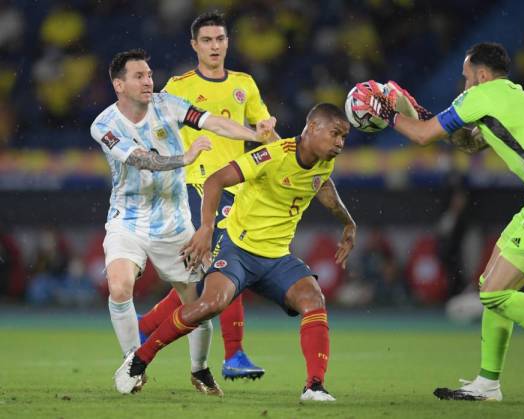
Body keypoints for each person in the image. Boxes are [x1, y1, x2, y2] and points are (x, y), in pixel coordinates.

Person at [354, 42, 524, 402]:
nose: (464, 85)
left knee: (496, 292)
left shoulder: (482, 96)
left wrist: (389, 113)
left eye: (467, 78)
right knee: (491, 287)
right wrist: (415, 109)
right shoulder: (514, 97)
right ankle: (487, 384)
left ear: (481, 75)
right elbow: (469, 143)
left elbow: (423, 136)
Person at [113, 103, 356, 401]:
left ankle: (314, 386)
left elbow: (322, 186)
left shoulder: (323, 161)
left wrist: (348, 223)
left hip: (277, 257)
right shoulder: (272, 155)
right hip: (238, 249)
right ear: (312, 128)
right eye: (335, 134)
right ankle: (138, 361)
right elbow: (216, 180)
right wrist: (205, 228)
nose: (340, 144)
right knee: (211, 303)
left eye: (344, 137)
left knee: (313, 299)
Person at [91, 49, 270, 395]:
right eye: (139, 76)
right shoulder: (104, 125)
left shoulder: (168, 104)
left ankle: (199, 369)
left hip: (174, 226)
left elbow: (213, 121)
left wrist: (253, 134)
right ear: (119, 84)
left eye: (149, 74)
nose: (148, 81)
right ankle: (133, 362)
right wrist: (186, 157)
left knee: (198, 305)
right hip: (127, 222)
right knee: (119, 286)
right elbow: (142, 160)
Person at [137, 10, 276, 381]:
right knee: (227, 266)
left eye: (220, 39)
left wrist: (268, 132)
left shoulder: (245, 83)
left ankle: (145, 326)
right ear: (194, 45)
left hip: (240, 188)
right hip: (198, 187)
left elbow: (263, 130)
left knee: (201, 278)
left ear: (228, 43)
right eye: (207, 40)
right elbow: (150, 126)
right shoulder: (179, 86)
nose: (215, 46)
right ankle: (234, 355)